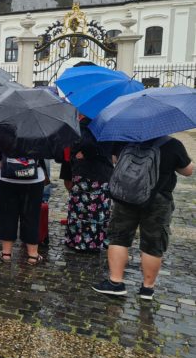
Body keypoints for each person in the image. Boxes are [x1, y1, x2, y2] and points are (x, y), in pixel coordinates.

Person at [93, 136, 192, 300]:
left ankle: (116, 282)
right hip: (158, 200)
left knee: (118, 238)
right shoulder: (173, 145)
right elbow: (187, 171)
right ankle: (147, 289)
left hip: (126, 195)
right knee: (153, 243)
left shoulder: (125, 140)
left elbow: (115, 159)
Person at [0, 144, 48, 265]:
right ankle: (33, 255)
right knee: (31, 215)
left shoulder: (3, 127)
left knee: (6, 215)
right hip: (33, 178)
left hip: (6, 178)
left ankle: (6, 253)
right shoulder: (40, 128)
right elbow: (52, 151)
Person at [62, 116, 114, 251]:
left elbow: (77, 147)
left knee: (82, 209)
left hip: (88, 173)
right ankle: (94, 241)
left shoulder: (83, 125)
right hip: (96, 174)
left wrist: (85, 152)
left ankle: (79, 241)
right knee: (96, 209)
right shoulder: (108, 124)